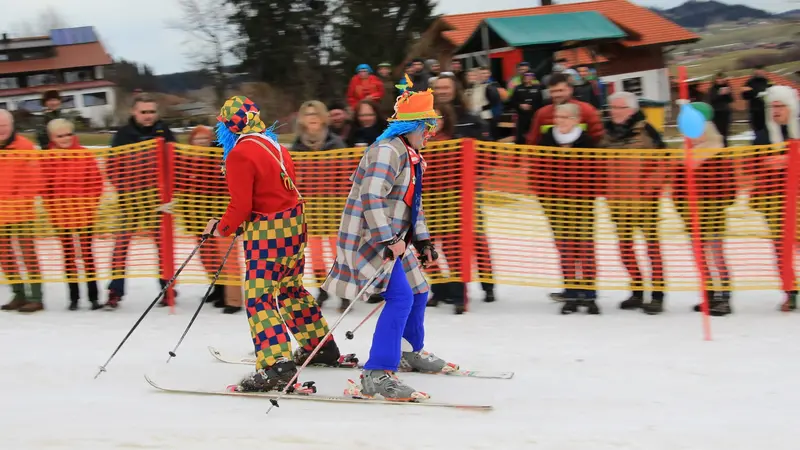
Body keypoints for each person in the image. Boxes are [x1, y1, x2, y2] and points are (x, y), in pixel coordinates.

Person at [323, 77, 457, 401]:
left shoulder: (411, 156)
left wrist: (422, 241)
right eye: (427, 127)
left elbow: (413, 205)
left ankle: (410, 351)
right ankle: (377, 374)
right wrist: (387, 239)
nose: (430, 133)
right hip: (371, 238)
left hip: (396, 240)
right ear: (413, 126)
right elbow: (371, 197)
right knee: (401, 298)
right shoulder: (387, 151)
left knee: (419, 290)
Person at [204, 96, 344, 392]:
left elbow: (241, 205)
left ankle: (275, 365)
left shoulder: (240, 153)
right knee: (290, 289)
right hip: (294, 226)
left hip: (268, 233)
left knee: (259, 297)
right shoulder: (275, 146)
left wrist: (224, 227)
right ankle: (320, 347)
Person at [105, 93, 177, 309]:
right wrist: (124, 189)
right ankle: (115, 291)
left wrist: (168, 192)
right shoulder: (123, 135)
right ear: (134, 112)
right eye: (143, 112)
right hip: (130, 201)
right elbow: (112, 166)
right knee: (120, 246)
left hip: (157, 201)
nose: (148, 116)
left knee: (163, 246)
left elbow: (177, 161)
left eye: (151, 112)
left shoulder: (165, 132)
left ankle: (168, 289)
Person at [601, 91, 667, 313]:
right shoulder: (606, 134)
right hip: (617, 201)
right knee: (624, 248)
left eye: (618, 108)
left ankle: (657, 294)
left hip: (644, 200)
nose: (613, 112)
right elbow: (598, 163)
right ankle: (637, 289)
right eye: (612, 108)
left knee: (652, 247)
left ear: (630, 109)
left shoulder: (647, 130)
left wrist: (650, 186)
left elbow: (664, 161)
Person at [536, 103, 601, 314]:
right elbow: (539, 171)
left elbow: (595, 173)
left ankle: (589, 295)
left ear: (575, 119)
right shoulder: (547, 140)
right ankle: (571, 292)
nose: (559, 120)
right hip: (556, 204)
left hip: (582, 204)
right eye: (557, 116)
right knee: (566, 249)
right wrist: (545, 196)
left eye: (564, 117)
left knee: (585, 248)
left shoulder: (586, 141)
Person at [672, 106, 736, 316]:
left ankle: (724, 297)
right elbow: (677, 186)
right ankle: (708, 294)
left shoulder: (717, 151)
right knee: (700, 256)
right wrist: (681, 205)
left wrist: (718, 204)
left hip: (713, 213)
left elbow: (729, 185)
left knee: (716, 255)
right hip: (692, 214)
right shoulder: (684, 154)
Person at [174, 125, 242, 314]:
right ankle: (219, 289)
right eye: (198, 139)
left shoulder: (219, 159)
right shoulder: (187, 161)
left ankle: (234, 300)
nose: (201, 142)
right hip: (198, 218)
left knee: (227, 257)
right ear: (191, 141)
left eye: (205, 139)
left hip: (222, 216)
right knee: (207, 257)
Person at [291, 101, 349, 311]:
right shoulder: (297, 146)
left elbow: (344, 177)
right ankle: (322, 289)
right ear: (302, 120)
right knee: (315, 254)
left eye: (316, 113)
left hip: (333, 206)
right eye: (307, 114)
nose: (312, 117)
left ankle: (344, 293)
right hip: (310, 209)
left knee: (338, 252)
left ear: (323, 117)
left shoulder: (335, 144)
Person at [41, 119, 104, 311]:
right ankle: (74, 297)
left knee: (87, 255)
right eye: (60, 136)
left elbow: (96, 183)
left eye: (69, 134)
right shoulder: (48, 158)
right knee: (68, 256)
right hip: (62, 216)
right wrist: (53, 209)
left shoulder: (84, 154)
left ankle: (93, 296)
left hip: (84, 214)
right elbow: (45, 188)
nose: (66, 139)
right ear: (52, 138)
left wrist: (89, 205)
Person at [750, 85, 800, 311]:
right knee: (781, 249)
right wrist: (767, 164)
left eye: (780, 106)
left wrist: (790, 161)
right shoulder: (762, 136)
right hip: (773, 199)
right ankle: (790, 290)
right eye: (772, 106)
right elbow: (752, 164)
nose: (776, 110)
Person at [0, 109, 44, 312]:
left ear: (11, 125)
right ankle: (18, 293)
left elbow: (34, 180)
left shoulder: (26, 146)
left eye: (4, 125)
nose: (1, 129)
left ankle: (36, 296)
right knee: (5, 255)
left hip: (21, 211)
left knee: (28, 253)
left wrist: (17, 201)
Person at [526, 73, 604, 146]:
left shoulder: (587, 111)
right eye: (553, 91)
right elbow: (532, 142)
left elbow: (598, 140)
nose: (557, 95)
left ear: (570, 90)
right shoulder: (542, 114)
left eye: (560, 90)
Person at [510, 72, 544, 144]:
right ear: (523, 78)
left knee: (534, 135)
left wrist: (532, 107)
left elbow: (540, 103)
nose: (528, 78)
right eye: (526, 76)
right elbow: (512, 101)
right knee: (520, 137)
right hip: (521, 116)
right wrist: (520, 105)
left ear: (533, 77)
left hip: (534, 116)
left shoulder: (538, 88)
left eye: (530, 76)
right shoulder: (517, 88)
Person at [742, 66, 772, 135]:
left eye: (761, 71)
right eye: (758, 71)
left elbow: (773, 92)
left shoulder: (769, 82)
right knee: (758, 131)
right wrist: (754, 93)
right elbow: (745, 96)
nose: (760, 73)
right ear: (755, 72)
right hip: (755, 110)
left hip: (767, 109)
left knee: (768, 130)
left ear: (764, 72)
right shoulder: (749, 82)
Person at [708, 73, 734, 147]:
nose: (720, 80)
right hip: (716, 113)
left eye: (721, 78)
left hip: (725, 112)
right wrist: (719, 94)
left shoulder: (727, 87)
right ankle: (718, 149)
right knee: (718, 133)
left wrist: (727, 93)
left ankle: (725, 148)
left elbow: (730, 100)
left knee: (725, 133)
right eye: (718, 79)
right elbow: (711, 100)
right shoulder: (712, 89)